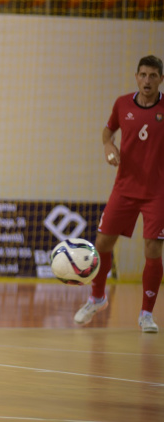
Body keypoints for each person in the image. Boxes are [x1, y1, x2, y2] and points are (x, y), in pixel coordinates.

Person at [73, 55, 164, 334]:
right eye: (143, 75)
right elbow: (107, 131)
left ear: (161, 79)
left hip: (157, 192)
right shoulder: (122, 103)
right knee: (102, 243)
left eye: (153, 76)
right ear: (136, 76)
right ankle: (97, 299)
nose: (147, 80)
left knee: (152, 248)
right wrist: (109, 146)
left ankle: (146, 315)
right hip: (124, 188)